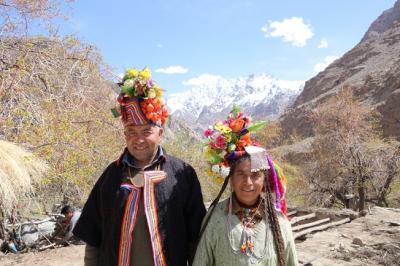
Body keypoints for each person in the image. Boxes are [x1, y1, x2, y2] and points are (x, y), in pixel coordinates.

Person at [73, 67, 206, 266]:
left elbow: (195, 237)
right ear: (125, 135)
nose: (139, 139)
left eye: (147, 131)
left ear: (160, 134)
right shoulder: (111, 176)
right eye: (132, 132)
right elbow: (94, 238)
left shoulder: (182, 174)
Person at [193, 106, 298, 266]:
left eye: (255, 175)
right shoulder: (216, 218)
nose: (248, 182)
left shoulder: (279, 222)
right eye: (241, 174)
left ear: (264, 180)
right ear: (231, 178)